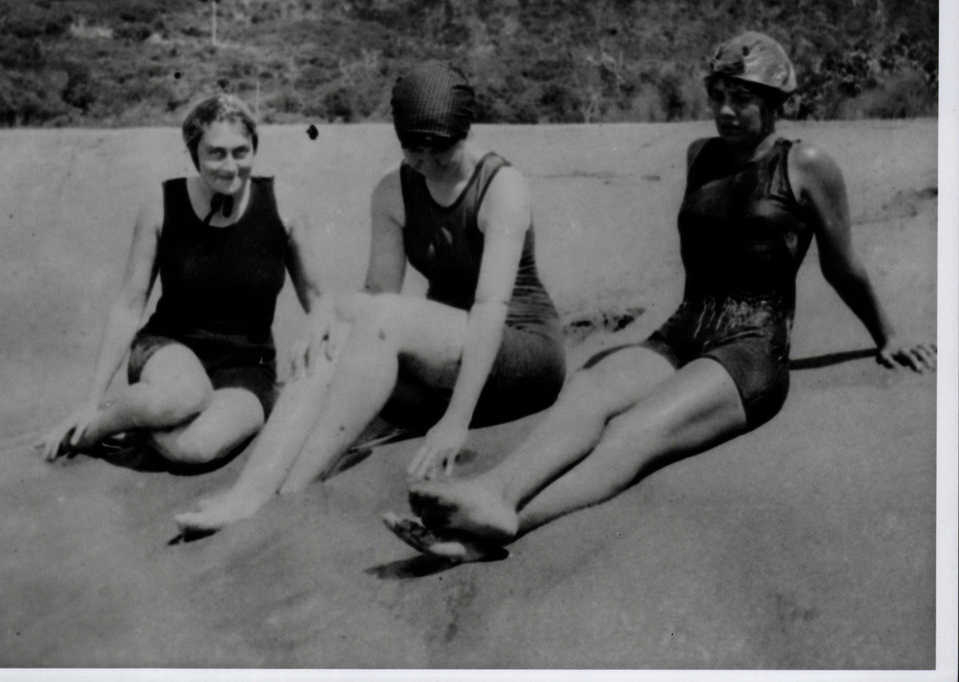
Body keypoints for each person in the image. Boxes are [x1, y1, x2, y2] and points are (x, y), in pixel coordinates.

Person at [389, 32, 937, 561]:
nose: (725, 110)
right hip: (684, 329)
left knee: (635, 431)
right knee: (591, 389)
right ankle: (494, 490)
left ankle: (506, 524)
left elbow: (843, 266)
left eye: (742, 98)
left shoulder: (807, 164)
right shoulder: (700, 155)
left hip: (750, 350)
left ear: (775, 102)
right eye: (718, 96)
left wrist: (887, 335)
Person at [173, 60, 567, 534]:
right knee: (336, 331)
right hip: (443, 362)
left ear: (466, 132)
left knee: (377, 318)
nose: (429, 162)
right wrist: (325, 316)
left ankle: (293, 489)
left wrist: (455, 422)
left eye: (443, 150)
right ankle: (251, 491)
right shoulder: (393, 190)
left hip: (519, 356)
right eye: (415, 150)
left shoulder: (502, 188)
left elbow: (488, 310)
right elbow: (379, 293)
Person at [39, 94, 333, 465]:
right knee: (183, 398)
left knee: (197, 448)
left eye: (241, 152)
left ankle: (144, 420)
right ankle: (97, 427)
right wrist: (92, 401)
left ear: (254, 149)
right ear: (194, 153)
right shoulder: (163, 203)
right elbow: (130, 304)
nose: (230, 167)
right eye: (216, 153)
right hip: (167, 350)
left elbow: (319, 298)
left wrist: (317, 350)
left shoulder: (282, 203)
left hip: (247, 366)